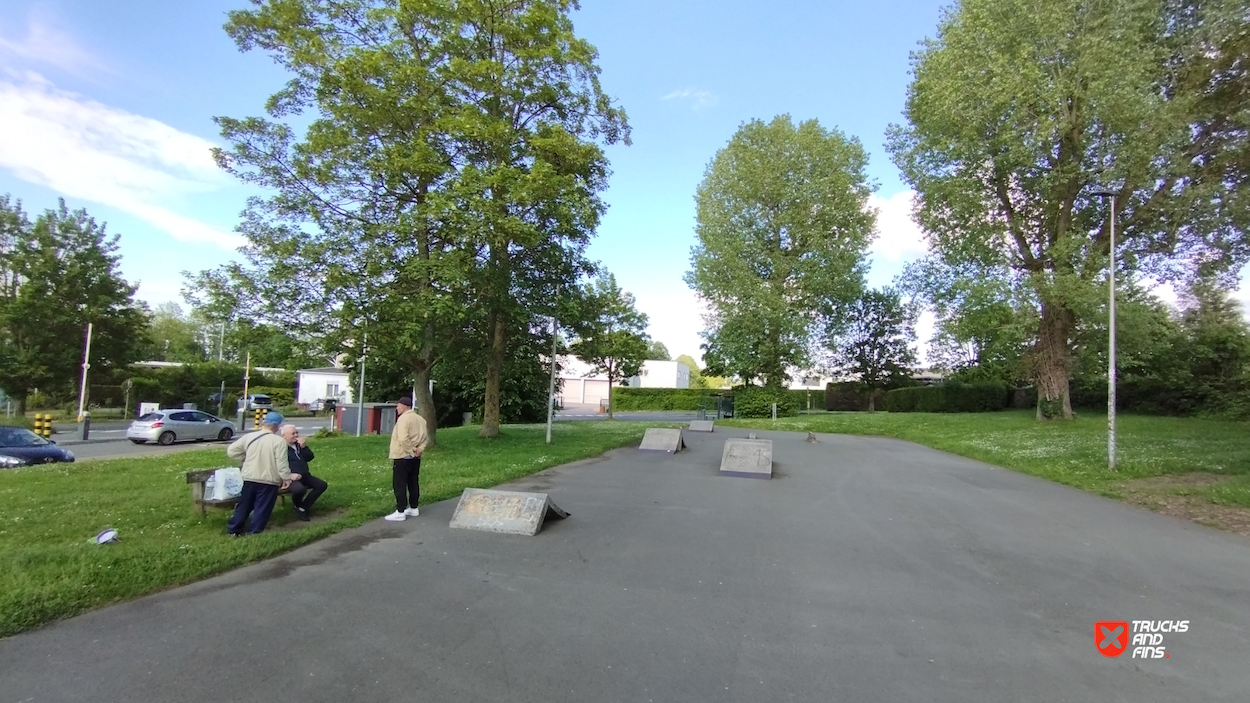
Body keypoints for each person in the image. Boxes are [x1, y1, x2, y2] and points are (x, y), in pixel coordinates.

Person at [225, 411, 300, 535]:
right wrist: (286, 478)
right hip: (268, 479)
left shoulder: (249, 437)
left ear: (264, 423)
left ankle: (234, 529)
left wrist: (244, 458)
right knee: (262, 507)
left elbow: (231, 451)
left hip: (249, 476)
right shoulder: (279, 441)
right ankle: (254, 532)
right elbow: (281, 463)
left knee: (244, 505)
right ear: (277, 426)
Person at [385, 396, 428, 522]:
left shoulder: (403, 419)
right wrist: (419, 449)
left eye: (398, 406)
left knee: (399, 483)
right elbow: (425, 437)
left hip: (402, 455)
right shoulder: (421, 419)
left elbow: (403, 438)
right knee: (413, 482)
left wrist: (411, 451)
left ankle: (400, 511)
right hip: (416, 458)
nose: (397, 408)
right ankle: (414, 508)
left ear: (404, 406)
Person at [281, 424, 327, 521]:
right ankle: (298, 506)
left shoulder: (298, 445)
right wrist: (289, 475)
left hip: (304, 475)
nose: (296, 435)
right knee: (299, 489)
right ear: (284, 435)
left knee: (321, 485)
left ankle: (302, 507)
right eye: (293, 433)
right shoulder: (280, 448)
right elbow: (276, 464)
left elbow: (309, 457)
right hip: (289, 477)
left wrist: (304, 447)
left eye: (297, 433)